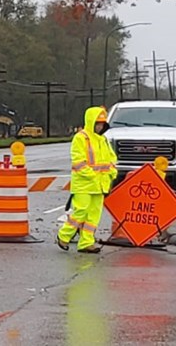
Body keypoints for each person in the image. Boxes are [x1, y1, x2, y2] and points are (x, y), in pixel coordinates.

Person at [57, 106, 117, 253]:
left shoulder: (103, 139)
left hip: (100, 184)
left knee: (93, 216)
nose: (100, 126)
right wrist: (93, 175)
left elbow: (111, 159)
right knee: (81, 212)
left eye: (102, 124)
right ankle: (63, 236)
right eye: (97, 123)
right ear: (91, 122)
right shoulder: (80, 138)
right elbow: (78, 162)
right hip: (84, 184)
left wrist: (112, 172)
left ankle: (86, 243)